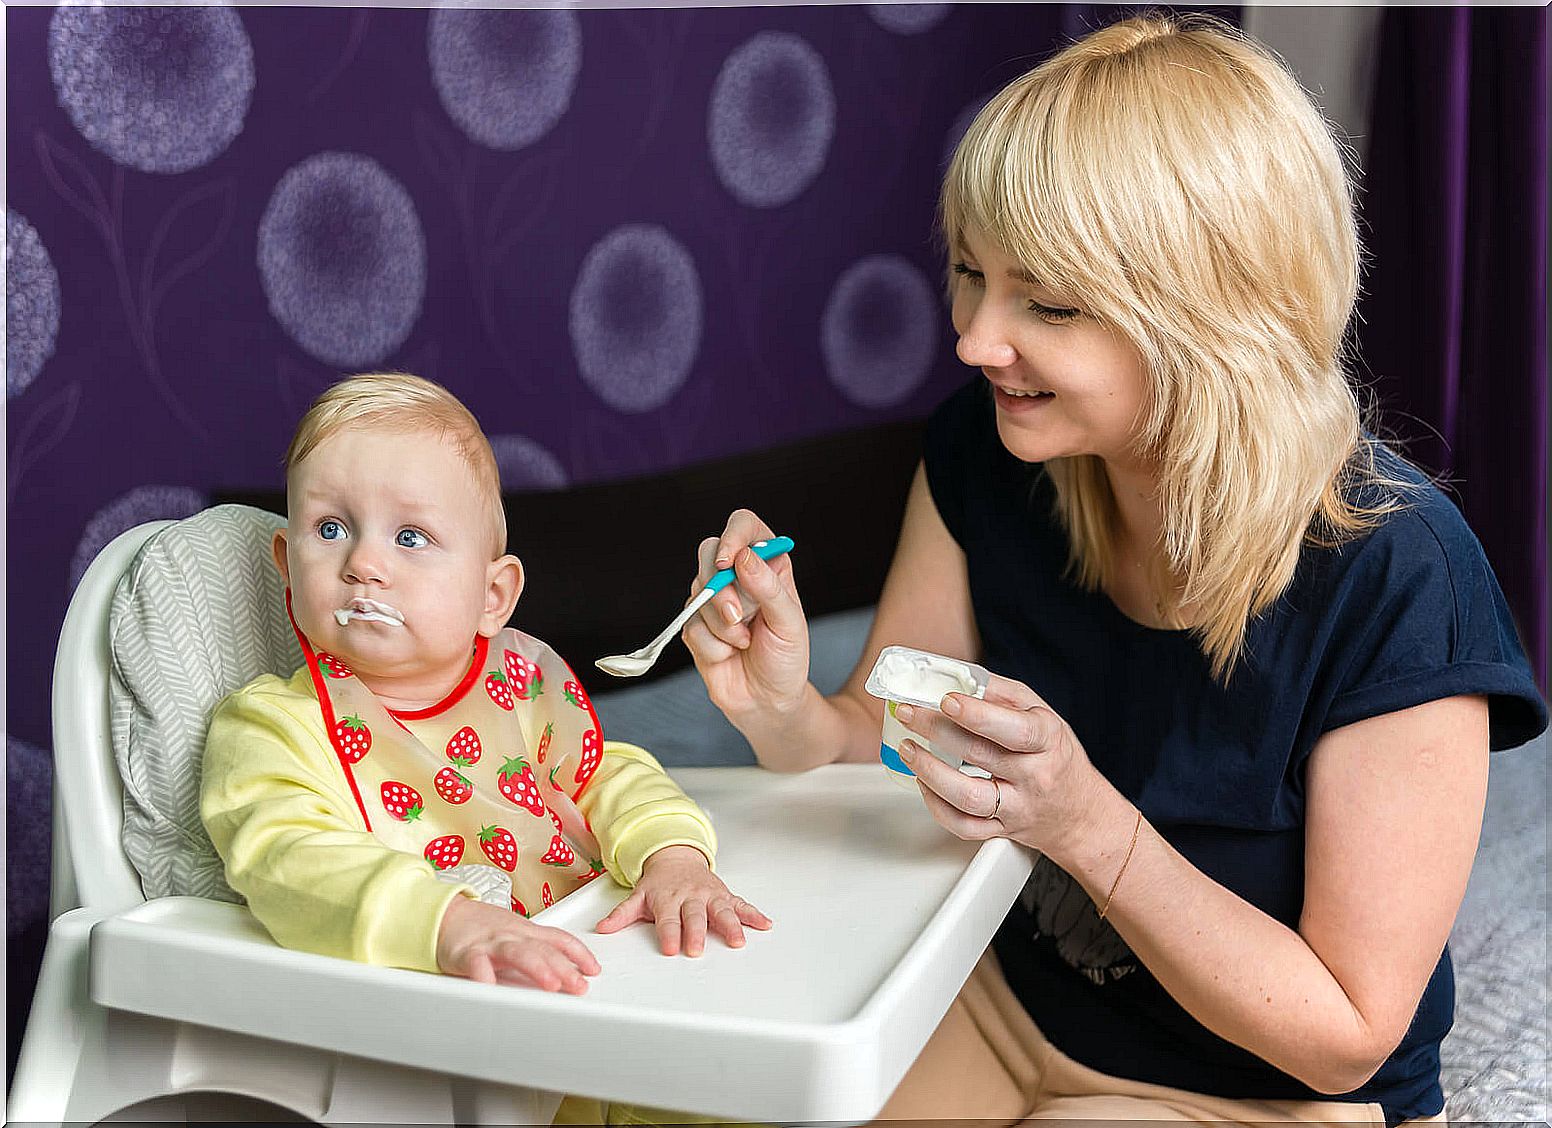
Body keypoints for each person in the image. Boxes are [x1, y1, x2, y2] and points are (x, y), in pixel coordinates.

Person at [681, 14, 1546, 1126]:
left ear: (1211, 317)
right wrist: (785, 708)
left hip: (1261, 1097)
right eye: (967, 274)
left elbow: (1344, 1037)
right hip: (1003, 1000)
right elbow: (884, 743)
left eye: (1047, 303)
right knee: (699, 1088)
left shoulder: (1401, 577)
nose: (975, 340)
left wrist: (1083, 823)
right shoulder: (985, 454)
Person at [202, 372, 771, 1002]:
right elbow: (288, 861)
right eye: (331, 528)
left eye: (410, 537)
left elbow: (601, 775)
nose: (363, 563)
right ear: (286, 564)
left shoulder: (515, 692)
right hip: (441, 1021)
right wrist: (448, 923)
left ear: (492, 596)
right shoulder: (273, 729)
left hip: (596, 971)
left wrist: (673, 858)